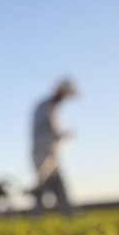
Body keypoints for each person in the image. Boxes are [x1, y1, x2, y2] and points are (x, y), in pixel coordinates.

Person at [29, 79, 77, 215]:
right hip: (42, 154)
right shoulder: (44, 108)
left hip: (51, 154)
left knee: (58, 186)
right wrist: (62, 136)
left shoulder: (52, 109)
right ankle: (36, 217)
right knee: (43, 188)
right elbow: (41, 132)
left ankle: (69, 215)